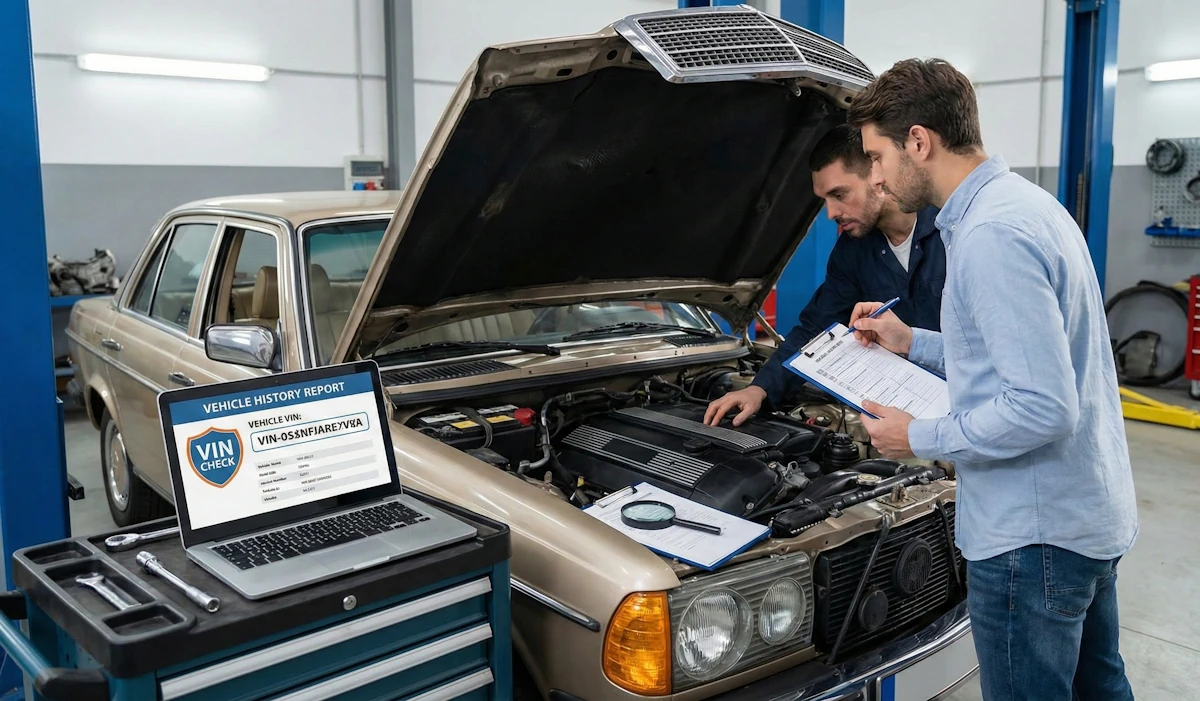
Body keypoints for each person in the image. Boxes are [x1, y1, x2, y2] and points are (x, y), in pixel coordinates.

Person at [846, 58, 1138, 701]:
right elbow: (1013, 356)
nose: (874, 176)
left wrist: (916, 436)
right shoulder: (1025, 207)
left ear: (919, 142)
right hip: (1081, 515)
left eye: (876, 156)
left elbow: (1042, 406)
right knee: (1101, 689)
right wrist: (910, 341)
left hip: (1031, 540)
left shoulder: (991, 236)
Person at [704, 124, 944, 427]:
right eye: (824, 200)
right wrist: (759, 389)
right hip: (898, 415)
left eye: (839, 194)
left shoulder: (953, 232)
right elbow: (817, 327)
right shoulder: (852, 250)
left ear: (876, 174)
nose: (831, 213)